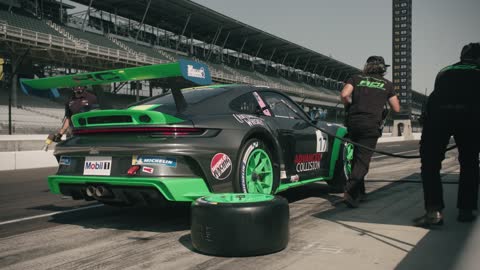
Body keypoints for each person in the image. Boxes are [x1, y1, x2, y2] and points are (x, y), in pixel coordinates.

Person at [413, 42, 480, 227]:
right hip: (471, 119)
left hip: (439, 118)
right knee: (470, 163)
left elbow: (434, 97)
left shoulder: (445, 71)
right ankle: (466, 210)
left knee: (430, 164)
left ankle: (433, 211)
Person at [340, 55, 401, 207]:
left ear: (367, 66)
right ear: (383, 69)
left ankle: (360, 193)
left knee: (356, 158)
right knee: (363, 161)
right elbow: (397, 108)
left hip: (353, 123)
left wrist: (351, 105)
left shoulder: (355, 78)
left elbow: (344, 95)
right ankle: (349, 190)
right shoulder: (387, 84)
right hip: (371, 125)